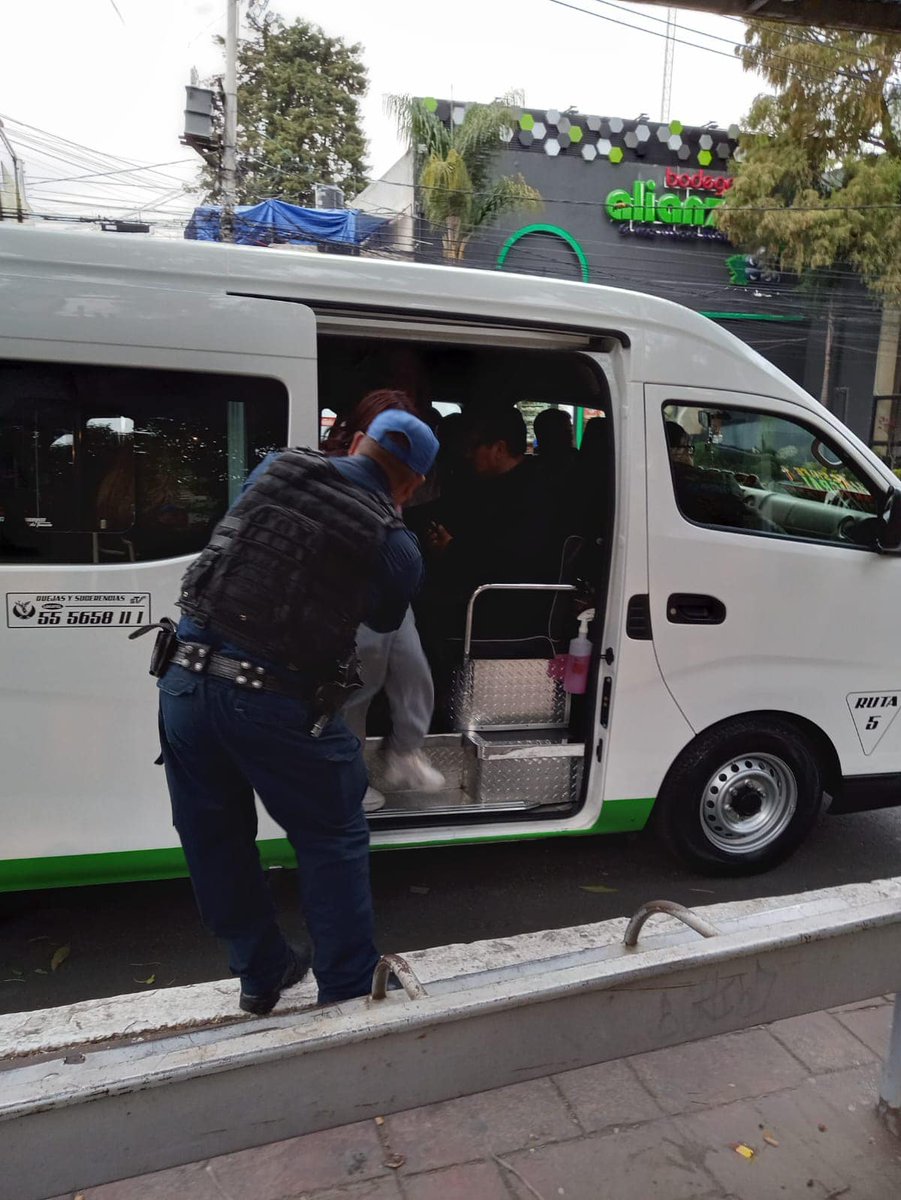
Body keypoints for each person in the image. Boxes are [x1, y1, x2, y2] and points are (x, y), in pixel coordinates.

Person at [154, 410, 439, 1015]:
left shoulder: (278, 466)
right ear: (413, 485)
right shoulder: (395, 545)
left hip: (182, 682)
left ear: (357, 440)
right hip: (270, 699)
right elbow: (381, 621)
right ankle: (345, 990)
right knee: (332, 835)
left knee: (214, 838)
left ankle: (260, 974)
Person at [325, 389, 445, 812]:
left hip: (386, 583)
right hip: (346, 594)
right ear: (363, 435)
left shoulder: (391, 476)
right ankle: (346, 782)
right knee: (355, 691)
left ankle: (405, 751)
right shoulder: (335, 468)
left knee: (413, 667)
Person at [424, 405, 559, 643]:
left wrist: (452, 549)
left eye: (474, 446)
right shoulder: (486, 485)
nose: (467, 454)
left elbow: (514, 558)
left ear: (499, 449)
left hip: (505, 611)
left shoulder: (533, 495)